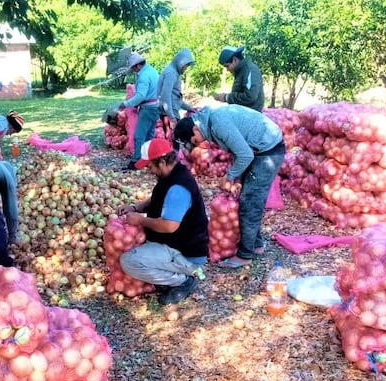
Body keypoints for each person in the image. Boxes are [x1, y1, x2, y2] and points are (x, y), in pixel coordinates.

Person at [173, 104, 284, 269]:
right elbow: (236, 150)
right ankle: (257, 244)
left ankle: (245, 255)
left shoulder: (218, 123)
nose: (198, 144)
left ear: (196, 129)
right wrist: (237, 179)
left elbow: (245, 155)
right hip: (257, 149)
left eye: (195, 141)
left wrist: (229, 177)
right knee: (247, 198)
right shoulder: (210, 123)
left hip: (268, 151)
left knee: (250, 202)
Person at [117, 138, 210, 304]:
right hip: (175, 244)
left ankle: (184, 280)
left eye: (150, 165)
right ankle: (171, 270)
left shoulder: (178, 187)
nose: (148, 169)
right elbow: (157, 199)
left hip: (185, 253)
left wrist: (140, 220)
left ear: (162, 161)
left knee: (129, 261)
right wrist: (135, 208)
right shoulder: (171, 175)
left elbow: (169, 226)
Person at [118, 52, 159, 170]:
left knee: (139, 136)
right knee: (149, 135)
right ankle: (148, 159)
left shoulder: (144, 75)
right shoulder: (152, 70)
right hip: (155, 106)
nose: (134, 71)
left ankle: (136, 162)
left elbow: (141, 95)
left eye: (134, 68)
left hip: (148, 108)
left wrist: (125, 104)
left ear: (137, 66)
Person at [157, 48, 196, 139]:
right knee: (173, 142)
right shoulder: (170, 73)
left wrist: (189, 108)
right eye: (186, 66)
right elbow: (165, 96)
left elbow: (176, 97)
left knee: (174, 142)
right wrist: (171, 117)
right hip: (169, 114)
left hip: (171, 113)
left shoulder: (174, 73)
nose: (186, 68)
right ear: (180, 62)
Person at [213, 46, 265, 112]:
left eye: (227, 66)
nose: (227, 69)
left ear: (235, 60)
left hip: (250, 116)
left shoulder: (250, 69)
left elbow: (250, 96)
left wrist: (226, 97)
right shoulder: (241, 71)